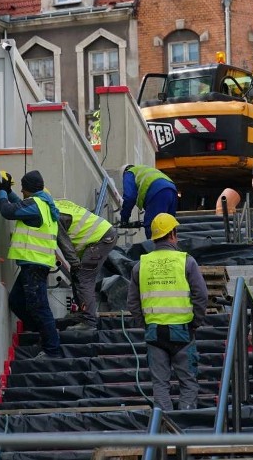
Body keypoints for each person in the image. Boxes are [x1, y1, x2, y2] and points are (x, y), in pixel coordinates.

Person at [126, 213, 208, 411]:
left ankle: (165, 428)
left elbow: (132, 302)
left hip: (155, 332)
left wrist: (144, 324)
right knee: (188, 383)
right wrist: (195, 323)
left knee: (160, 385)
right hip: (182, 331)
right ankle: (185, 428)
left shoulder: (141, 265)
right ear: (172, 233)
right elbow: (201, 296)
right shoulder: (186, 261)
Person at [0, 170, 64, 359]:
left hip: (34, 263)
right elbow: (20, 203)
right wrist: (8, 191)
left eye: (22, 189)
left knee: (39, 307)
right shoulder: (42, 204)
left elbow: (8, 211)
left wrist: (2, 191)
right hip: (36, 263)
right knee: (17, 301)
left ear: (27, 189)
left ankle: (52, 349)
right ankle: (46, 334)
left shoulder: (36, 206)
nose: (21, 192)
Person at [55, 198, 118, 331]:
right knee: (77, 273)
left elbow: (64, 244)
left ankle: (89, 321)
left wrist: (74, 263)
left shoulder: (54, 214)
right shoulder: (59, 203)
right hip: (101, 235)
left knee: (84, 277)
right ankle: (83, 314)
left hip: (100, 239)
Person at [120, 165, 178, 240]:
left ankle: (155, 250)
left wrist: (124, 219)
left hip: (157, 192)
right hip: (172, 190)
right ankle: (171, 249)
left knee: (152, 225)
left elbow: (130, 197)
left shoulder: (129, 173)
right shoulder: (144, 169)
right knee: (169, 225)